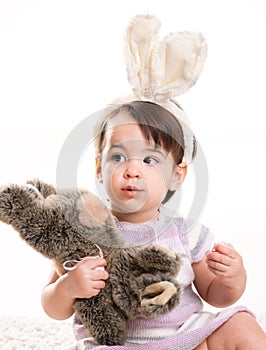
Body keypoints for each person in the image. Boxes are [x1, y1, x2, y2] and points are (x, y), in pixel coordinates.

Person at [41, 15, 266, 350]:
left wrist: (233, 278)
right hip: (115, 344)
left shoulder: (187, 234)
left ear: (177, 173)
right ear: (100, 170)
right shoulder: (83, 230)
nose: (132, 170)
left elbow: (215, 296)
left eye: (149, 160)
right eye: (118, 157)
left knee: (242, 324)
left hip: (184, 340)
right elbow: (52, 306)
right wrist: (67, 288)